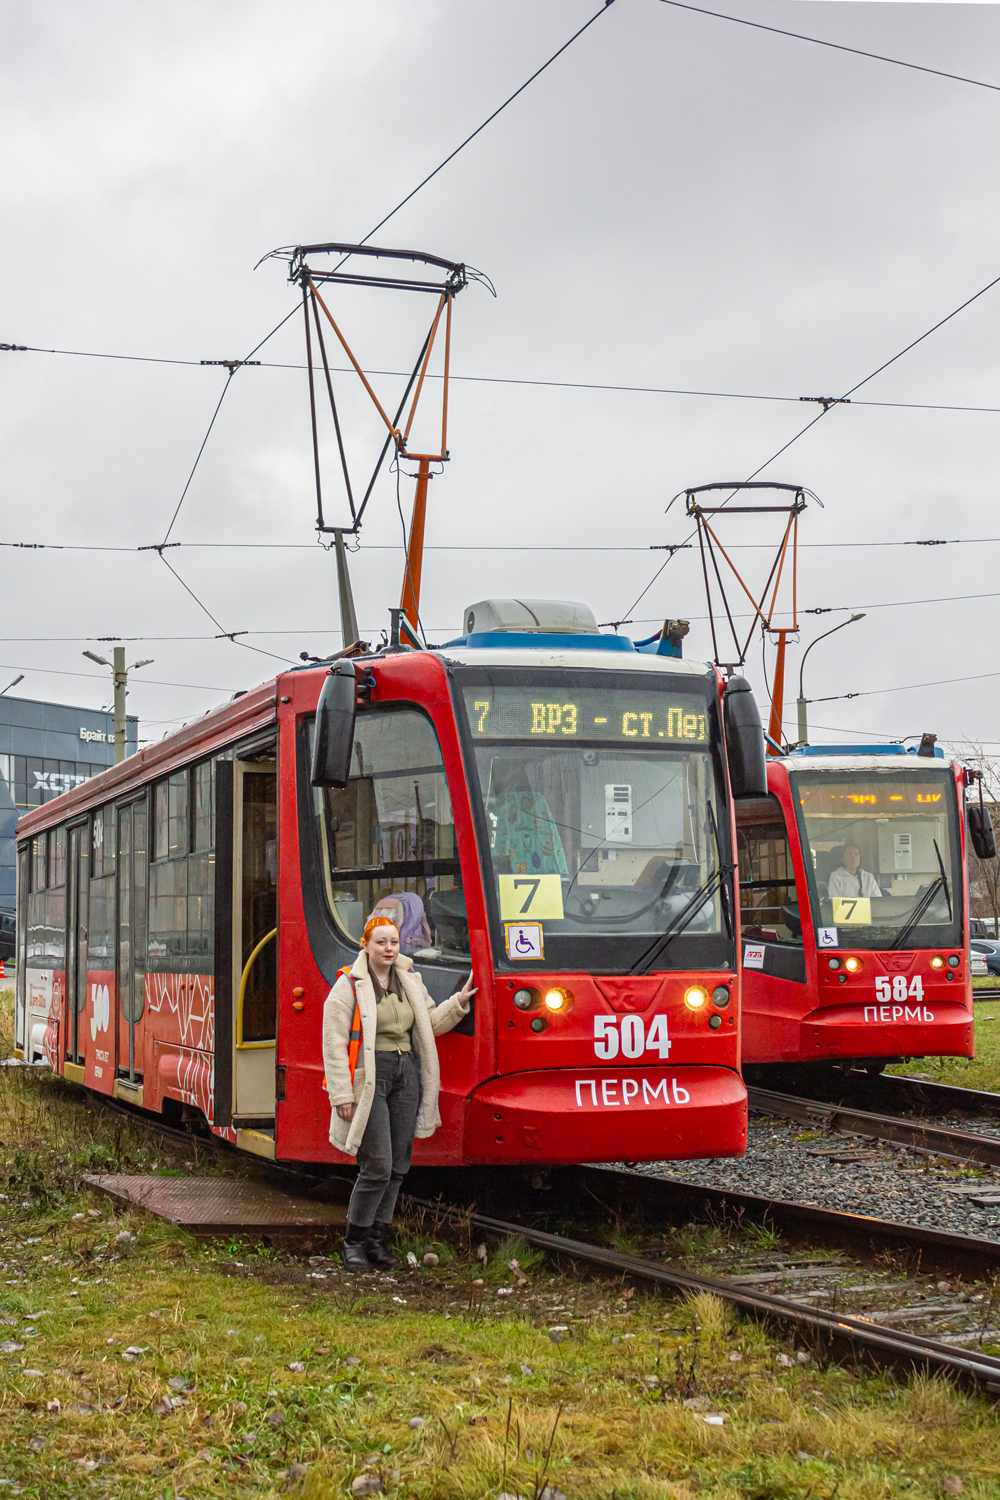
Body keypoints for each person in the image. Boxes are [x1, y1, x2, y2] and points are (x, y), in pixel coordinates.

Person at [323, 913, 476, 1271]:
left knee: (398, 1167)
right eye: (381, 942)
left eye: (394, 942)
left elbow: (429, 1024)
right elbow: (334, 1043)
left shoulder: (409, 981)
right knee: (377, 1165)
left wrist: (459, 1003)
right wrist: (342, 1095)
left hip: (407, 1073)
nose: (389, 948)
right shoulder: (349, 985)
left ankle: (377, 1242)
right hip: (372, 1077)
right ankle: (354, 1243)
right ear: (366, 946)